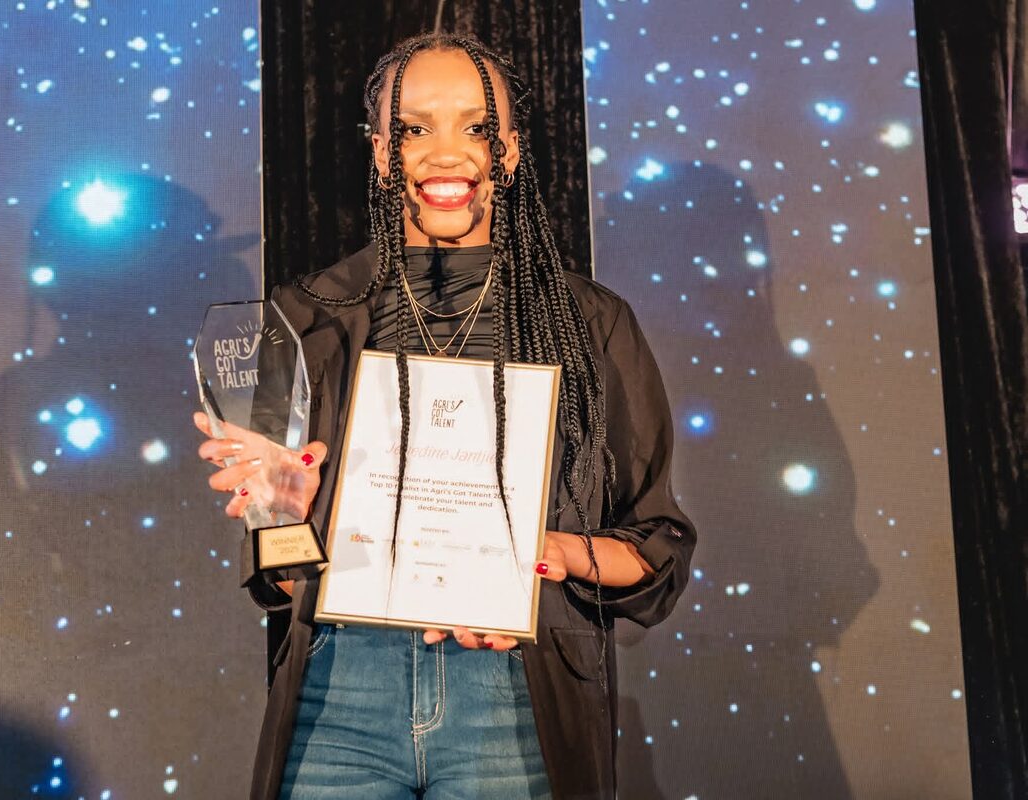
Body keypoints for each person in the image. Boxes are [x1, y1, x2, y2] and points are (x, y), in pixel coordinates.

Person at [193, 33, 696, 799]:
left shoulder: (590, 324)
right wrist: (280, 514)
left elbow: (653, 548)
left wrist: (542, 552)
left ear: (512, 151)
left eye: (477, 126)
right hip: (342, 695)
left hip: (516, 702)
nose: (446, 153)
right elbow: (284, 576)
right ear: (380, 154)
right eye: (413, 128)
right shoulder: (305, 319)